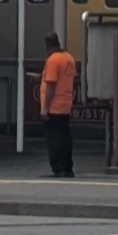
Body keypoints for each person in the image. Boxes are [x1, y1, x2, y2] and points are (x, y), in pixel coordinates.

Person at [39, 33, 78, 178]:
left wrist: (45, 108)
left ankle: (59, 168)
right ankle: (68, 167)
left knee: (54, 140)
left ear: (47, 45)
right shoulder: (69, 58)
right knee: (65, 138)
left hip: (54, 106)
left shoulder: (53, 60)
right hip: (65, 104)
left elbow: (51, 85)